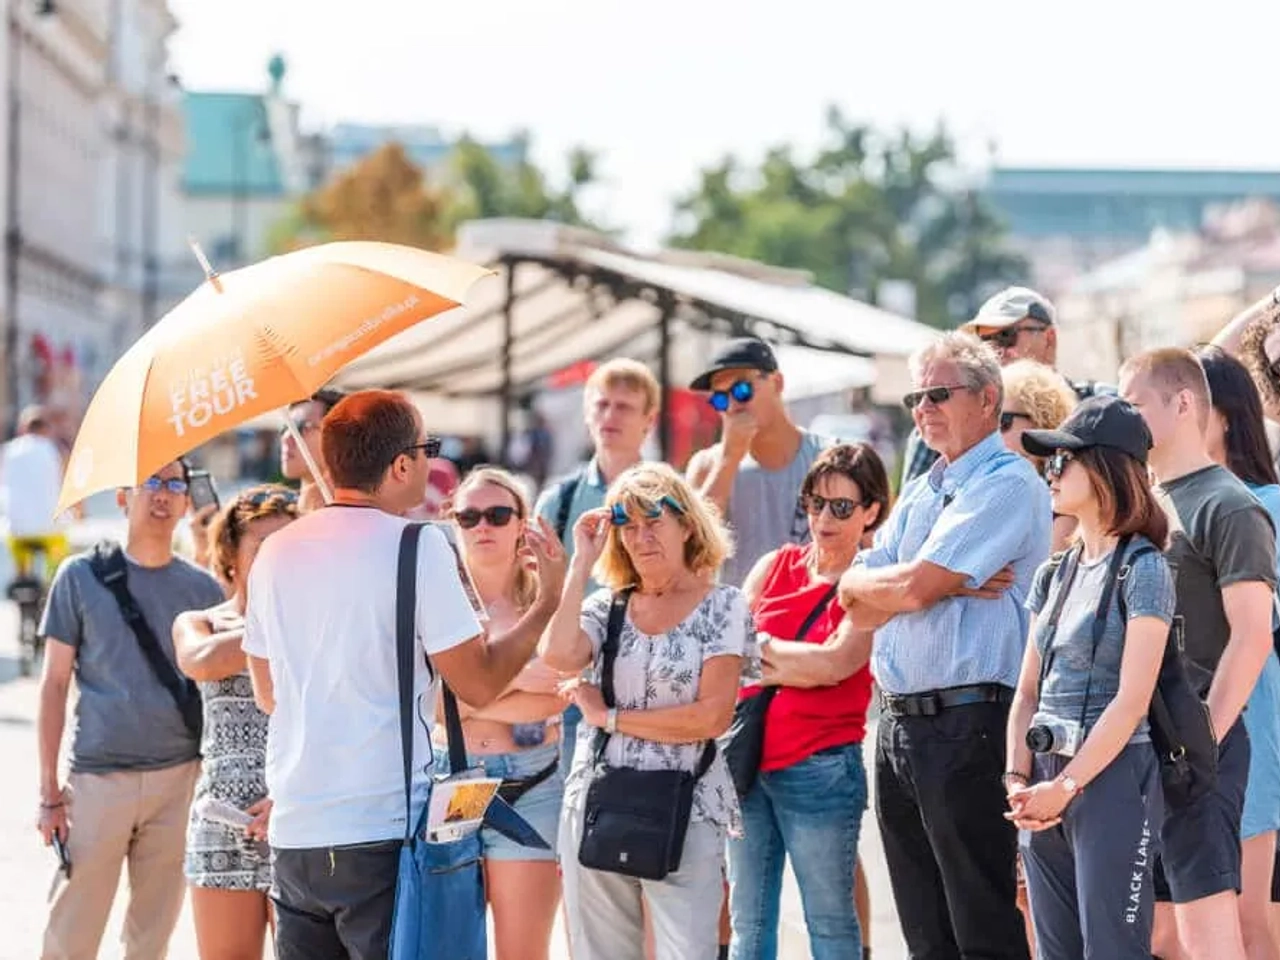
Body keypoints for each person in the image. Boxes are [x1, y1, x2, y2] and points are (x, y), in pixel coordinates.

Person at [241, 389, 567, 960]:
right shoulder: (418, 546)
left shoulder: (274, 553)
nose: (429, 461)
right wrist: (547, 602)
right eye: (426, 449)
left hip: (297, 833)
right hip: (383, 830)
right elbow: (480, 681)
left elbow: (268, 693)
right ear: (399, 465)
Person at [838, 331, 1052, 960]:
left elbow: (912, 585)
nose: (923, 408)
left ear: (988, 400)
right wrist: (885, 583)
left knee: (981, 924)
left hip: (969, 721)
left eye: (938, 393)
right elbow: (854, 586)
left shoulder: (1007, 482)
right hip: (901, 725)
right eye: (915, 396)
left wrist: (909, 585)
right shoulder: (924, 487)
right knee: (925, 932)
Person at [540, 462, 749, 960]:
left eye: (653, 520)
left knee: (688, 953)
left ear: (687, 525)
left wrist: (609, 718)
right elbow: (556, 654)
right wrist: (580, 562)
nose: (640, 536)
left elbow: (711, 718)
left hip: (687, 804)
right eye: (627, 525)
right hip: (599, 802)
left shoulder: (724, 606)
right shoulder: (608, 607)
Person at [1119, 348, 1277, 960]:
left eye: (1134, 405)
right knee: (1163, 934)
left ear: (1183, 404)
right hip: (1147, 746)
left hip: (1202, 752)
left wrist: (1201, 739)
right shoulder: (1149, 502)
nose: (1124, 420)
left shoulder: (1229, 503)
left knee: (1219, 933)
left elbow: (1252, 634)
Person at [1003, 396, 1174, 958]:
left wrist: (1066, 787)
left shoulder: (1145, 567)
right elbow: (1027, 690)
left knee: (1113, 949)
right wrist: (1017, 778)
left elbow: (1131, 702)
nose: (1049, 474)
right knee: (1055, 951)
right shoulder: (1056, 571)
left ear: (1105, 469)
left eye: (1061, 462)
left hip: (1112, 777)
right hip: (1044, 780)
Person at [36, 460, 225, 959]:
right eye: (151, 483)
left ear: (187, 501)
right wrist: (49, 791)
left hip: (178, 780)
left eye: (174, 485)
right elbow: (53, 684)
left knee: (152, 936)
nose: (162, 496)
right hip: (99, 780)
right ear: (123, 497)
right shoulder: (79, 577)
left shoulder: (204, 590)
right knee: (70, 933)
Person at [728, 443, 890, 960]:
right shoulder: (775, 565)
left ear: (871, 512)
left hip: (820, 768)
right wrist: (798, 662)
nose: (824, 517)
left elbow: (837, 664)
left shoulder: (868, 580)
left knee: (829, 923)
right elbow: (730, 650)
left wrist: (767, 651)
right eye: (815, 503)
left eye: (842, 507)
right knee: (747, 924)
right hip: (746, 766)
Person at [436, 467, 566, 960]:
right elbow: (434, 706)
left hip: (533, 782)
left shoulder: (547, 601)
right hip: (456, 781)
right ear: (454, 523)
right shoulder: (439, 600)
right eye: (468, 516)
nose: (482, 526)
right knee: (450, 948)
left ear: (522, 524)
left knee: (523, 952)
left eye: (496, 514)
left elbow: (560, 695)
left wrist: (473, 686)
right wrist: (520, 678)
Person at [174, 485, 299, 960]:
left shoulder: (319, 621)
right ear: (232, 556)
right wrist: (277, 624)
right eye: (265, 548)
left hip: (298, 813)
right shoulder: (200, 621)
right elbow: (201, 661)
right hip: (222, 822)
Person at [1194, 344, 1280, 960]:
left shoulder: (1263, 508)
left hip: (1255, 719)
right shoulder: (1177, 506)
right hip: (1198, 727)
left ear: (1221, 415)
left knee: (1252, 923)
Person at [535, 359, 660, 771]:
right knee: (579, 818)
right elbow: (537, 597)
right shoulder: (559, 501)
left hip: (654, 686)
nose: (610, 416)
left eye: (624, 407)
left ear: (649, 419)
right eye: (602, 404)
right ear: (588, 413)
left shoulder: (671, 498)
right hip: (575, 686)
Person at [902, 287, 1113, 485]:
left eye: (1006, 336)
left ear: (1049, 339)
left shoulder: (1100, 408)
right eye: (985, 341)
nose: (995, 351)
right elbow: (913, 515)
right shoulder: (942, 421)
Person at [687, 337, 828, 588]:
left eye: (742, 390)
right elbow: (690, 548)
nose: (732, 406)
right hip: (738, 620)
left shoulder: (828, 457)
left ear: (777, 382)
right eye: (719, 399)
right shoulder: (707, 465)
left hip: (815, 619)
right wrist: (729, 459)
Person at [1001, 360, 1081, 558]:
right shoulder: (988, 486)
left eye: (1003, 422)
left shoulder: (1064, 496)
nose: (991, 433)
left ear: (1039, 418)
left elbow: (1047, 579)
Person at [3, 405, 71, 579]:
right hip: (51, 530)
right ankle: (53, 582)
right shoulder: (55, 449)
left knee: (17, 545)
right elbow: (67, 483)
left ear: (22, 429)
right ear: (45, 429)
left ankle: (22, 575)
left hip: (17, 530)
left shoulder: (8, 451)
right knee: (59, 555)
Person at [279, 388, 344, 512]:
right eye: (285, 428)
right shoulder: (276, 521)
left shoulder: (367, 518)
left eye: (301, 427)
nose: (286, 438)